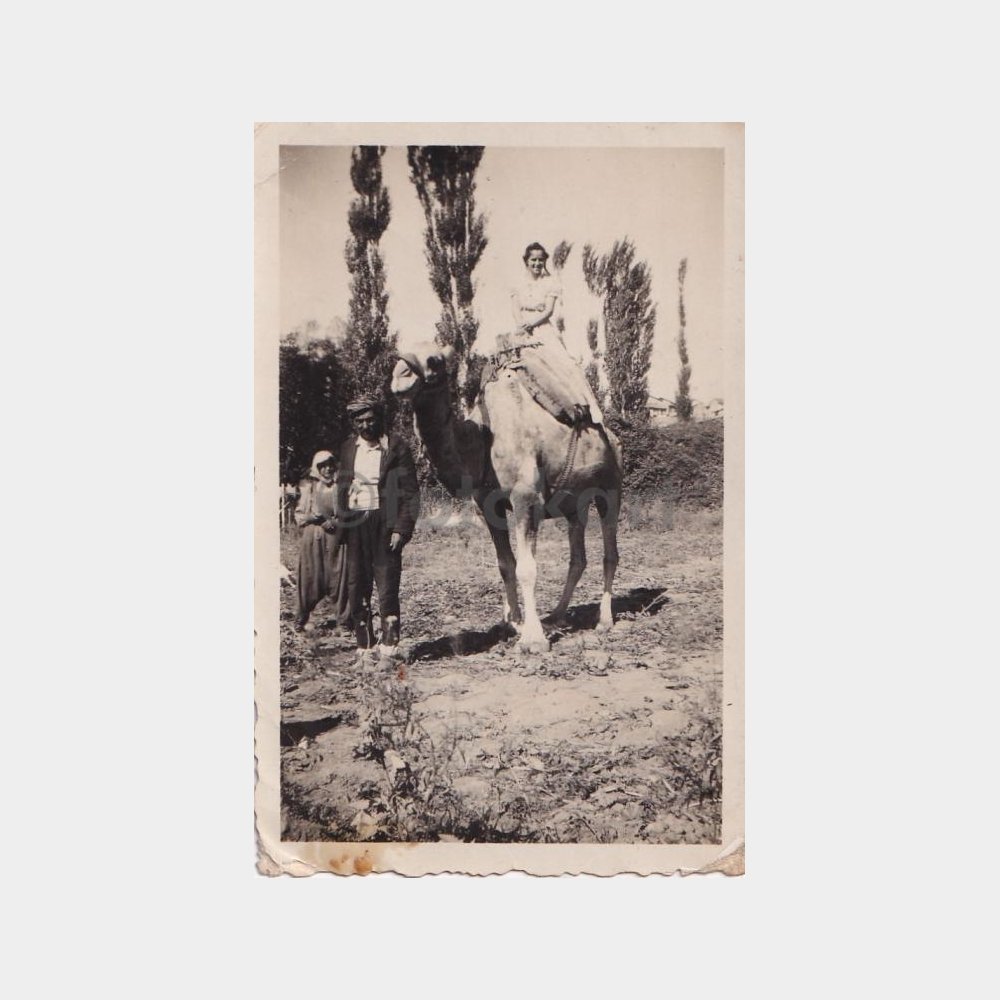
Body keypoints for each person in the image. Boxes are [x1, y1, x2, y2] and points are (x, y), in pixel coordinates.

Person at [334, 396, 420, 660]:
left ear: (379, 419)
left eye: (370, 420)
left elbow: (410, 492)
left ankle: (389, 648)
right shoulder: (348, 448)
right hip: (356, 524)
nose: (365, 425)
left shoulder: (395, 447)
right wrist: (342, 522)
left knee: (387, 586)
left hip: (385, 524)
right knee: (357, 586)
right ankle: (365, 646)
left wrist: (401, 529)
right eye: (359, 421)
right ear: (354, 423)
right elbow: (342, 487)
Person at [508, 242, 604, 426]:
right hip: (522, 330)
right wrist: (521, 326)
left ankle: (591, 405)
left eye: (540, 260)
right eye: (533, 260)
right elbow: (515, 308)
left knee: (567, 364)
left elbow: (548, 311)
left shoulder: (550, 283)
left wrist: (531, 323)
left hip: (542, 328)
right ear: (526, 261)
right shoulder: (517, 284)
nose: (537, 264)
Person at [293, 450, 350, 633]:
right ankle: (301, 618)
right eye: (322, 466)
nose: (327, 469)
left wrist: (336, 521)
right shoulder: (309, 488)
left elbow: (350, 512)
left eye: (330, 465)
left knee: (339, 575)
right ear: (316, 469)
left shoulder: (341, 487)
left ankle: (343, 621)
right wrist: (316, 519)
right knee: (310, 575)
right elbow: (300, 516)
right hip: (313, 536)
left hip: (336, 536)